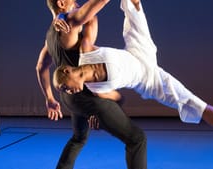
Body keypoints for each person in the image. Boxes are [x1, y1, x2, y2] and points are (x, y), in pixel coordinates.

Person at [53, 0, 213, 164]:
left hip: (137, 48)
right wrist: (95, 112)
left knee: (133, 3)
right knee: (194, 104)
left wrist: (60, 15)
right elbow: (117, 97)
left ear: (67, 71)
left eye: (64, 87)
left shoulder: (85, 52)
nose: (68, 92)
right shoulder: (93, 89)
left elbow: (89, 19)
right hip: (148, 79)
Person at [36, 0, 147, 169]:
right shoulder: (70, 23)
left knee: (78, 139)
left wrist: (50, 99)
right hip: (89, 97)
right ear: (61, 2)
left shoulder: (50, 36)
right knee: (137, 139)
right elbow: (97, 6)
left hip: (69, 98)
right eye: (72, 0)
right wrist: (92, 110)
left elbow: (40, 67)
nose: (76, 2)